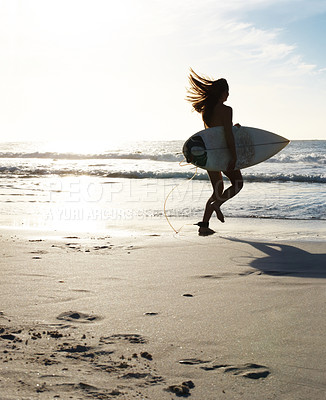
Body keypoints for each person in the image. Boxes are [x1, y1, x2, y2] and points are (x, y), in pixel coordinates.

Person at [186, 69, 243, 236]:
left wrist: (232, 128)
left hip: (210, 155)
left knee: (217, 191)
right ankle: (217, 205)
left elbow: (213, 133)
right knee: (238, 183)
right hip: (223, 154)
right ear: (222, 92)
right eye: (227, 91)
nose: (228, 95)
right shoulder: (227, 110)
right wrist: (233, 156)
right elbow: (227, 136)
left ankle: (204, 225)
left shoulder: (206, 111)